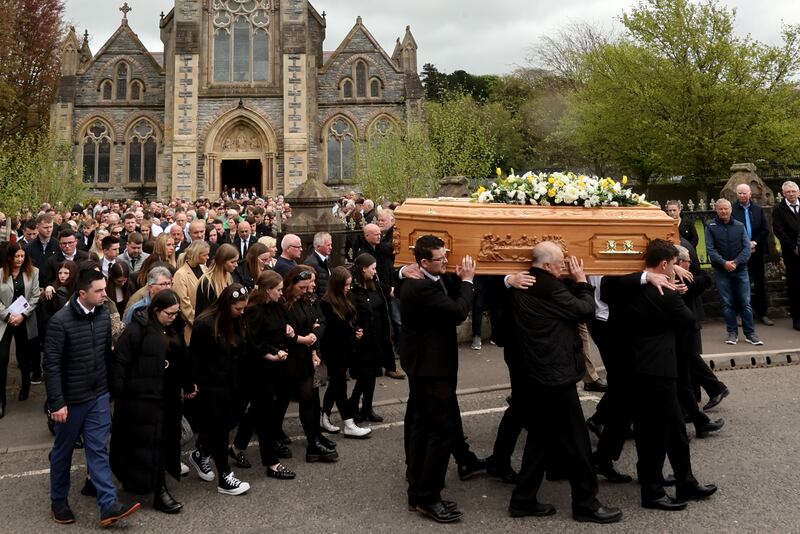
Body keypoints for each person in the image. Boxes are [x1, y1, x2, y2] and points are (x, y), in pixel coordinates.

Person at [506, 241, 621, 523]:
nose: (565, 265)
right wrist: (582, 282)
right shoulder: (549, 286)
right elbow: (583, 310)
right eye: (560, 262)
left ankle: (523, 499)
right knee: (577, 442)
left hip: (538, 372)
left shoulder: (522, 284)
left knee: (541, 438)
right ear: (546, 266)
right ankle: (585, 503)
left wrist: (508, 279)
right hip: (555, 374)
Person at [601, 239, 717, 511]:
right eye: (675, 264)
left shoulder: (627, 287)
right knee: (653, 432)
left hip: (644, 367)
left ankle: (685, 480)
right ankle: (652, 492)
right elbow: (689, 321)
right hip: (656, 370)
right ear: (664, 264)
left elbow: (608, 288)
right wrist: (677, 292)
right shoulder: (664, 292)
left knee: (675, 428)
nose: (677, 269)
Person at [44, 268, 141, 527]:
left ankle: (108, 505)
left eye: (104, 289)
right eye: (98, 291)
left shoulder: (101, 316)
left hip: (98, 395)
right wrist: (57, 403)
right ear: (82, 293)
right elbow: (51, 365)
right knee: (63, 452)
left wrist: (111, 388)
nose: (104, 295)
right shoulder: (59, 322)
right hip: (71, 401)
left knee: (98, 449)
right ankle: (58, 501)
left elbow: (105, 355)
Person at [397, 235, 474, 523]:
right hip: (430, 368)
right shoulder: (419, 286)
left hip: (427, 365)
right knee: (441, 431)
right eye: (441, 259)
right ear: (424, 262)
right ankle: (429, 497)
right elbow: (457, 311)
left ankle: (417, 492)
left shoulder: (432, 277)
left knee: (421, 427)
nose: (447, 261)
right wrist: (467, 280)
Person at [109, 290, 191, 514]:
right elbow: (121, 363)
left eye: (176, 313)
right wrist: (121, 392)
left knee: (163, 443)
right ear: (156, 310)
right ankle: (159, 491)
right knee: (149, 446)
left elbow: (180, 360)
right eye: (169, 313)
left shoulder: (173, 327)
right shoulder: (137, 331)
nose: (174, 317)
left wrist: (188, 384)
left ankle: (147, 482)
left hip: (168, 397)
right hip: (142, 400)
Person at [230, 270, 297, 480]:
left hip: (275, 364)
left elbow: (282, 323)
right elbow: (252, 341)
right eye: (278, 290)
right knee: (265, 414)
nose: (281, 292)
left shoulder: (275, 304)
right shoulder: (255, 310)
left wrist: (288, 330)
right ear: (268, 290)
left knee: (257, 411)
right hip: (258, 368)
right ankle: (272, 463)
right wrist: (271, 354)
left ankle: (238, 447)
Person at [186, 284, 251, 495]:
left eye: (243, 309)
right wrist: (193, 385)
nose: (241, 313)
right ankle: (225, 477)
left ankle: (201, 452)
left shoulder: (236, 320)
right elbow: (194, 357)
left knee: (229, 422)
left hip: (234, 382)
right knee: (221, 430)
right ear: (226, 305)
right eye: (238, 309)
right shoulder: (205, 325)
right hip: (212, 386)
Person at [277, 266, 337, 463]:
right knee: (292, 399)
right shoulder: (284, 303)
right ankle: (310, 443)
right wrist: (307, 337)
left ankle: (314, 441)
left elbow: (319, 322)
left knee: (309, 397)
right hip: (289, 360)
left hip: (305, 356)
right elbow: (287, 334)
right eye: (302, 287)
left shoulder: (304, 299)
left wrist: (312, 341)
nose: (307, 290)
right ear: (292, 284)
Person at [319, 266, 371, 438]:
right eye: (346, 285)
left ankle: (324, 415)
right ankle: (348, 422)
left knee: (336, 383)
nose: (348, 288)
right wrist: (352, 333)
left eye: (349, 284)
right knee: (339, 384)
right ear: (337, 284)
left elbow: (349, 320)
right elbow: (334, 329)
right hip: (334, 349)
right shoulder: (326, 303)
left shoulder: (345, 297)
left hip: (346, 347)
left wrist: (356, 331)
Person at [705, 198, 762, 345]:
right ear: (716, 210)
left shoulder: (739, 225)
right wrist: (724, 263)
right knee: (727, 303)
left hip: (740, 270)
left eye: (726, 208)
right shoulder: (710, 226)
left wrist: (735, 263)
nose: (723, 211)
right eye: (720, 209)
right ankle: (732, 333)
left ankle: (750, 334)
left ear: (731, 209)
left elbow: (746, 248)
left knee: (745, 303)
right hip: (721, 271)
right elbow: (710, 250)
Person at [348, 253, 393, 423]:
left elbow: (385, 295)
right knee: (364, 375)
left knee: (373, 373)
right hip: (363, 339)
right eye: (372, 268)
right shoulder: (354, 290)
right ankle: (352, 405)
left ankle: (367, 407)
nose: (375, 272)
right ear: (363, 269)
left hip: (378, 336)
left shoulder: (375, 284)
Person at [0, 243, 40, 416]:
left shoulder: (34, 272)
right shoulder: (1, 273)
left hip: (24, 320)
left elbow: (35, 296)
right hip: (4, 321)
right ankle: (1, 398)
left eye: (22, 256)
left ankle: (25, 385)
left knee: (24, 357)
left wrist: (22, 315)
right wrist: (7, 316)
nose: (20, 259)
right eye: (17, 256)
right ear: (9, 257)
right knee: (2, 358)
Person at [731, 184, 773, 326]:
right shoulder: (732, 210)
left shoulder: (757, 209)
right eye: (740, 193)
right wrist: (744, 245)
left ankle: (762, 313)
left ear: (750, 194)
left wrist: (754, 243)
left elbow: (765, 230)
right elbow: (730, 230)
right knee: (740, 283)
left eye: (744, 193)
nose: (742, 196)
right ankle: (741, 314)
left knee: (760, 282)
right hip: (739, 252)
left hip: (756, 251)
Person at [772, 180, 800, 331]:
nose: (791, 194)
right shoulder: (779, 209)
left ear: (798, 192)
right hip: (792, 254)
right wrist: (793, 247)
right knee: (795, 286)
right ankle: (797, 319)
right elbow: (778, 230)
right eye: (788, 192)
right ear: (783, 194)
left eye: (793, 191)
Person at [172, 240, 210, 344]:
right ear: (197, 255)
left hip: (206, 322)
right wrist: (199, 323)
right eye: (205, 255)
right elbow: (184, 303)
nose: (208, 257)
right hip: (191, 326)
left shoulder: (204, 268)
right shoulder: (180, 274)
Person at [195, 243, 238, 317]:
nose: (236, 265)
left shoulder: (229, 277)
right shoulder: (206, 283)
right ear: (222, 262)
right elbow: (203, 312)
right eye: (232, 262)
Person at [303, 232, 333, 297]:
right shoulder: (310, 263)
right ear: (318, 246)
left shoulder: (327, 258)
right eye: (328, 245)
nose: (331, 247)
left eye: (331, 245)